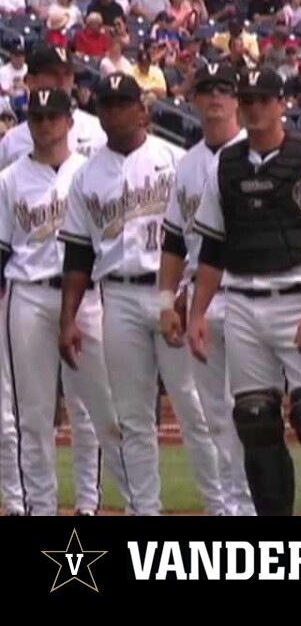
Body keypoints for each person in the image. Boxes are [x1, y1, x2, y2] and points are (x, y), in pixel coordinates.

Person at [187, 67, 301, 517]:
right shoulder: (225, 164)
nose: (254, 108)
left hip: (297, 295)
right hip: (243, 298)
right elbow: (212, 245)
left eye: (264, 99)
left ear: (282, 104)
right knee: (255, 421)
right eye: (247, 99)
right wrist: (197, 314)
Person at [58, 73, 224, 517]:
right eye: (107, 104)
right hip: (117, 295)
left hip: (172, 290)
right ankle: (143, 511)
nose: (113, 111)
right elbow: (77, 255)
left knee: (195, 407)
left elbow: (203, 235)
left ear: (142, 109)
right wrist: (68, 317)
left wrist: (192, 294)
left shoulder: (176, 162)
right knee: (131, 417)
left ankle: (221, 506)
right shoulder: (85, 175)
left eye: (122, 103)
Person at [0, 88, 129, 516]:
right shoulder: (10, 179)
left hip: (86, 296)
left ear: (69, 122)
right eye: (37, 117)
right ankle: (40, 506)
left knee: (101, 409)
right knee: (33, 415)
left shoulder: (88, 172)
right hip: (30, 294)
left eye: (53, 116)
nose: (45, 124)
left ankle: (94, 504)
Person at [156, 63, 255, 516]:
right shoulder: (187, 164)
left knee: (252, 412)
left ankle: (255, 506)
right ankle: (230, 509)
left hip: (252, 292)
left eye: (224, 88)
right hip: (204, 300)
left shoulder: (256, 152)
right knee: (216, 415)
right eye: (206, 89)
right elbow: (174, 241)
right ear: (193, 100)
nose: (215, 97)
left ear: (237, 99)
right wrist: (166, 302)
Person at [0, 46, 107, 169]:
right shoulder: (12, 141)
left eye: (67, 74)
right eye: (53, 74)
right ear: (31, 81)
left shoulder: (97, 129)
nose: (62, 82)